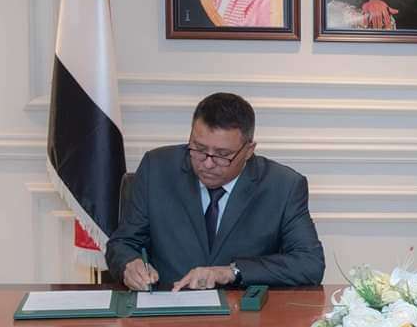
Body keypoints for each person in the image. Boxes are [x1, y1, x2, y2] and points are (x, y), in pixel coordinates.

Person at [106, 93, 324, 290]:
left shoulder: (283, 186)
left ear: (249, 150)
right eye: (199, 149)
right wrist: (129, 264)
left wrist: (231, 272)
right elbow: (122, 244)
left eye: (222, 154)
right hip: (168, 307)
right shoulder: (157, 168)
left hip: (243, 314)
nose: (208, 164)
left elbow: (309, 263)